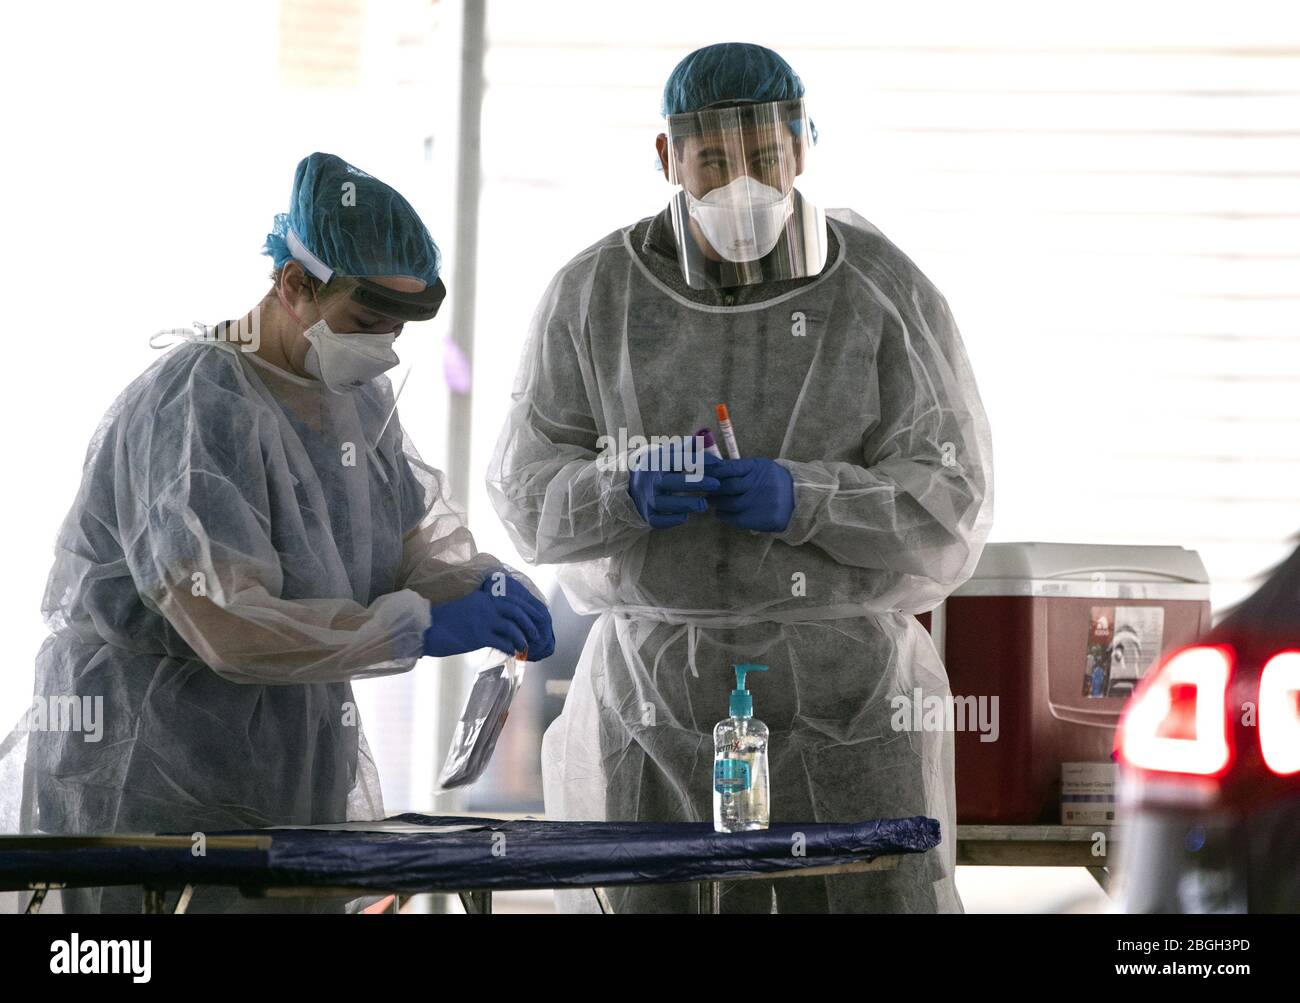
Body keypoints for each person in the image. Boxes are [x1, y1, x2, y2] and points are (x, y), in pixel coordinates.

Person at [487, 43, 992, 913]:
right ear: (666, 157)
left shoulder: (881, 292)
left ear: (802, 145)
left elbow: (948, 507)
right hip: (650, 709)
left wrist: (809, 497)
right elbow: (526, 492)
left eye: (764, 155)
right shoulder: (597, 296)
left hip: (852, 711)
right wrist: (623, 489)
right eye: (713, 159)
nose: (742, 184)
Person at [3, 152, 553, 913]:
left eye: (395, 329)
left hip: (291, 783)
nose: (382, 348)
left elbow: (406, 540)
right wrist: (415, 628)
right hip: (157, 783)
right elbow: (228, 622)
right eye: (364, 323)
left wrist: (476, 582)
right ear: (294, 286)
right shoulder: (194, 403)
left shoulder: (350, 400)